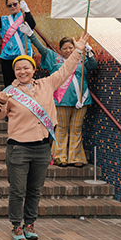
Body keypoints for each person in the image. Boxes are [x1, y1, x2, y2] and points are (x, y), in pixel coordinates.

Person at [0, 32, 90, 240]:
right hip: (18, 149)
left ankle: (30, 224)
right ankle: (16, 226)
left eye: (26, 67)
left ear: (33, 69)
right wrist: (1, 102)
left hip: (42, 147)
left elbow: (66, 70)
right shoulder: (9, 92)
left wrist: (78, 50)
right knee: (18, 190)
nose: (22, 71)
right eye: (18, 68)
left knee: (35, 189)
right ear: (15, 72)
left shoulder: (47, 84)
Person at [28, 32, 97, 167]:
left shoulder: (81, 59)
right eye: (64, 48)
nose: (68, 50)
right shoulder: (54, 59)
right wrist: (31, 35)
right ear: (60, 50)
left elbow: (93, 66)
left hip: (81, 100)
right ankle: (59, 156)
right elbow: (41, 49)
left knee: (76, 129)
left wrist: (88, 52)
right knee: (61, 128)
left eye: (70, 47)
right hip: (61, 100)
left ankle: (75, 157)